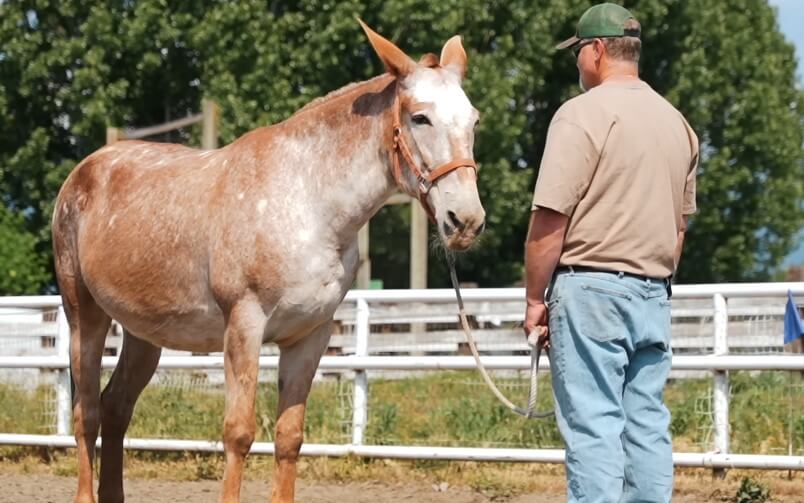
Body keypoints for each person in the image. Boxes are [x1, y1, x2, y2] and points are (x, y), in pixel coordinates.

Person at [523, 3, 699, 502]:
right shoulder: (677, 123)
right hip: (654, 291)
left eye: (579, 52)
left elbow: (550, 219)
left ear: (598, 51)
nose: (578, 63)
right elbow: (679, 227)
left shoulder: (580, 115)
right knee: (646, 422)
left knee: (594, 424)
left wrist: (535, 298)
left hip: (590, 289)